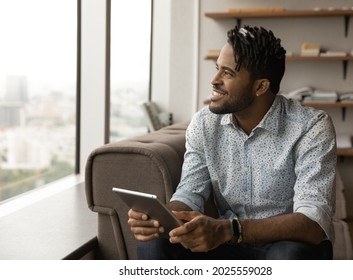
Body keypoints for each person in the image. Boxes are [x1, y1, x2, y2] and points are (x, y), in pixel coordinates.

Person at [128, 25, 337, 260]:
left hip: (288, 244)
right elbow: (190, 192)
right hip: (228, 243)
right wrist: (163, 218)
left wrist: (229, 230)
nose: (214, 80)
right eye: (217, 69)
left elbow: (313, 222)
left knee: (289, 255)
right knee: (155, 242)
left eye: (227, 73)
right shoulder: (204, 124)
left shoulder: (311, 127)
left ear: (260, 86)